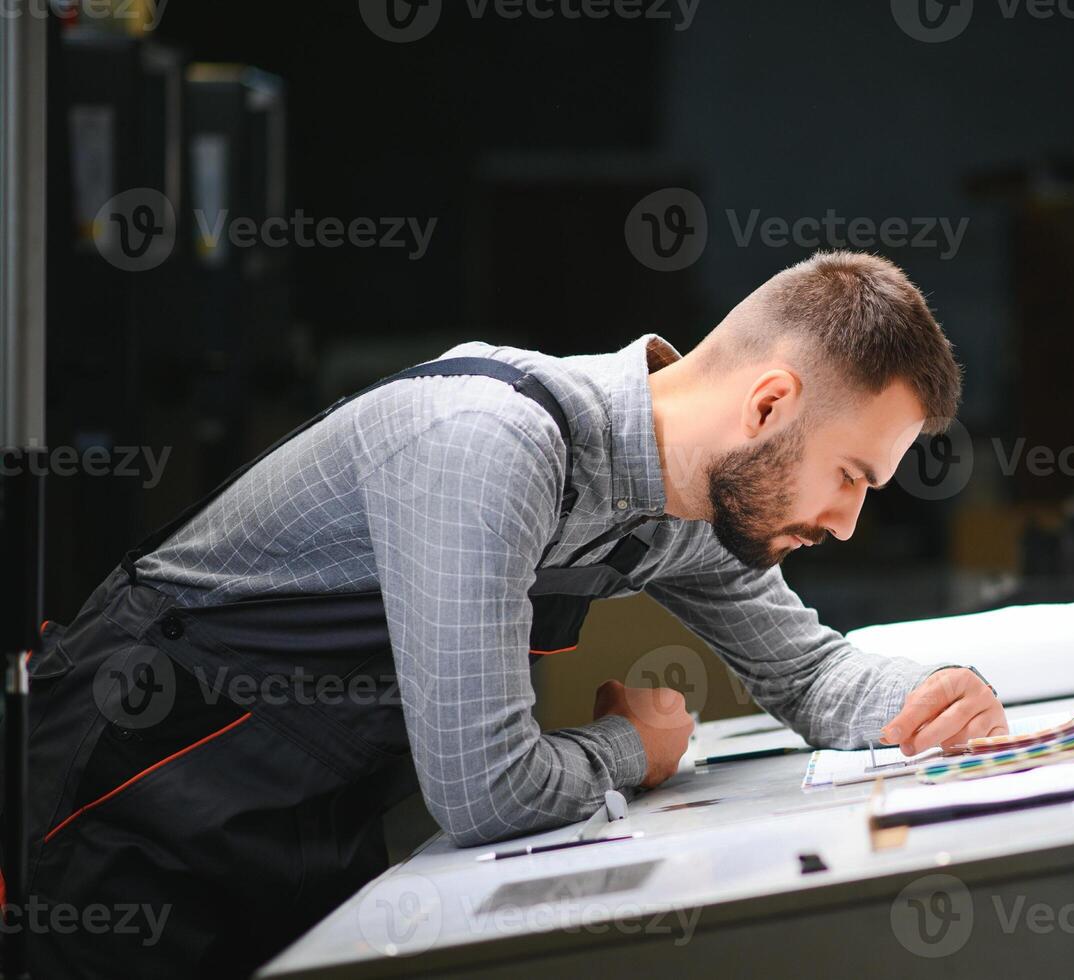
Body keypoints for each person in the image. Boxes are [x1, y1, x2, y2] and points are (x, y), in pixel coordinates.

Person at [21, 250, 1005, 977]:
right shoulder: (490, 441)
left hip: (305, 820)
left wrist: (931, 696)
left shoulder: (697, 510)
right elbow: (486, 788)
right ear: (769, 405)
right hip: (136, 788)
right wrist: (632, 744)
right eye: (849, 475)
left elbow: (811, 674)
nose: (844, 521)